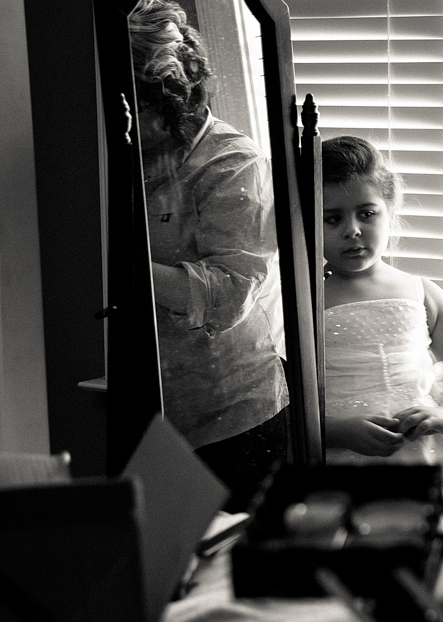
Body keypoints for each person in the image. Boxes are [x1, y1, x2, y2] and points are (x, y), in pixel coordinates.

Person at [129, 0, 288, 512]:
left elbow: (229, 294)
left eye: (142, 105)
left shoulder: (231, 162)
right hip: (150, 407)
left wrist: (119, 268)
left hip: (233, 415)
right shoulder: (121, 150)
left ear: (174, 98)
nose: (130, 116)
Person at [321, 135, 443, 533]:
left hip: (428, 461)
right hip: (340, 470)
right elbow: (282, 406)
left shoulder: (421, 292)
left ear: (390, 210)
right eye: (332, 218)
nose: (352, 230)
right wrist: (336, 431)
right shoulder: (301, 300)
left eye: (366, 214)